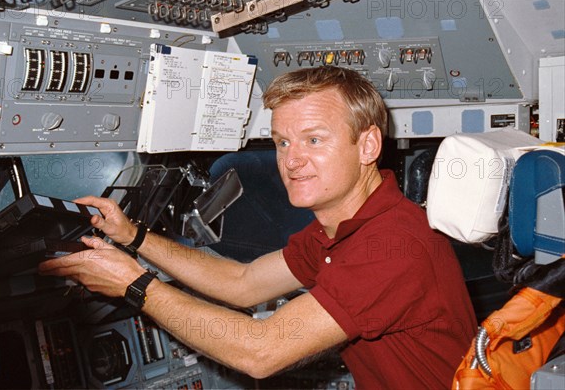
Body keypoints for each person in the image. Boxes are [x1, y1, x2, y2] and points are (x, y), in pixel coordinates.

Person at [39, 66, 477, 388]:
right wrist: (133, 237)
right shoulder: (342, 226)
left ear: (368, 145)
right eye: (282, 142)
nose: (291, 159)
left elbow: (260, 351)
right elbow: (243, 282)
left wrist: (133, 285)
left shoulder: (392, 245)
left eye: (314, 139)